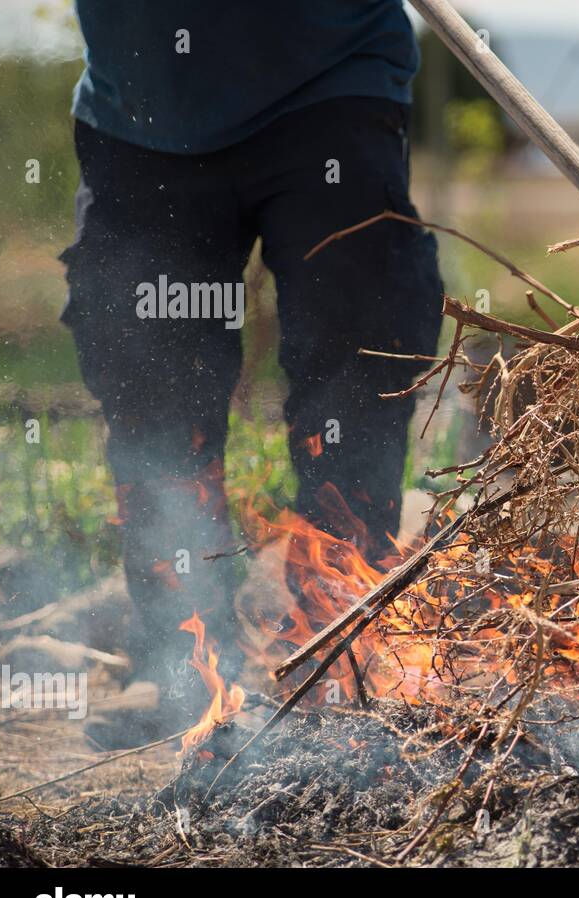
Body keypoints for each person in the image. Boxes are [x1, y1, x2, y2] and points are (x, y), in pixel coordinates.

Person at [59, 1, 444, 745]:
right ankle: (186, 665)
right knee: (151, 387)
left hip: (329, 78)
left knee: (360, 352)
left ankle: (334, 649)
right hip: (142, 111)